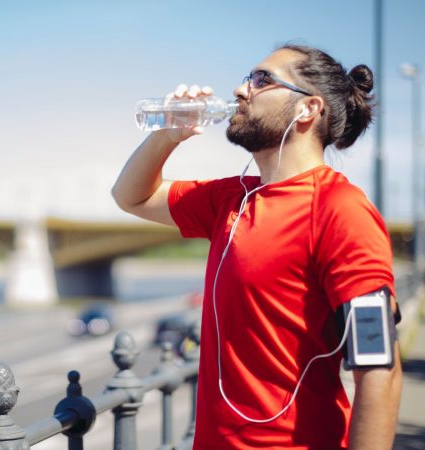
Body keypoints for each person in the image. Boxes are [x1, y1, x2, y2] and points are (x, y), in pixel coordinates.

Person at [112, 44, 402, 449]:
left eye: (262, 80)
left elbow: (378, 367)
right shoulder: (231, 198)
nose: (241, 88)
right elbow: (131, 197)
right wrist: (167, 135)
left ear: (308, 109)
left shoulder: (340, 209)